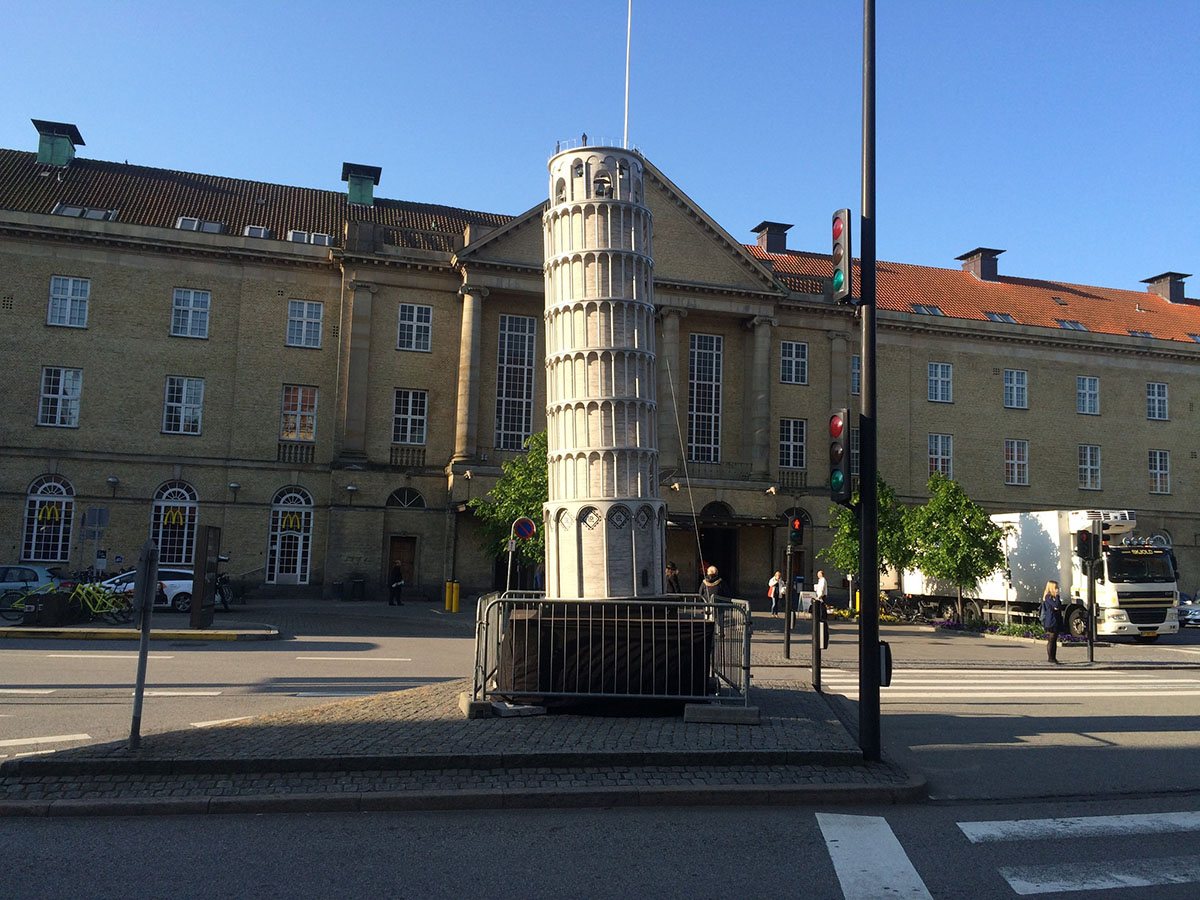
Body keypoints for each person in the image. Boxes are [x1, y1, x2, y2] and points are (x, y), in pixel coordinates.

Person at [1041, 579, 1064, 663]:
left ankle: (1053, 657)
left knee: (1054, 640)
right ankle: (1051, 658)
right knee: (1051, 639)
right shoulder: (1048, 596)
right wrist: (1057, 596)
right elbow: (1056, 605)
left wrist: (1057, 599)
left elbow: (1058, 606)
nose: (1057, 589)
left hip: (1056, 619)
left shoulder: (1054, 597)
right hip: (1051, 620)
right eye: (1056, 587)